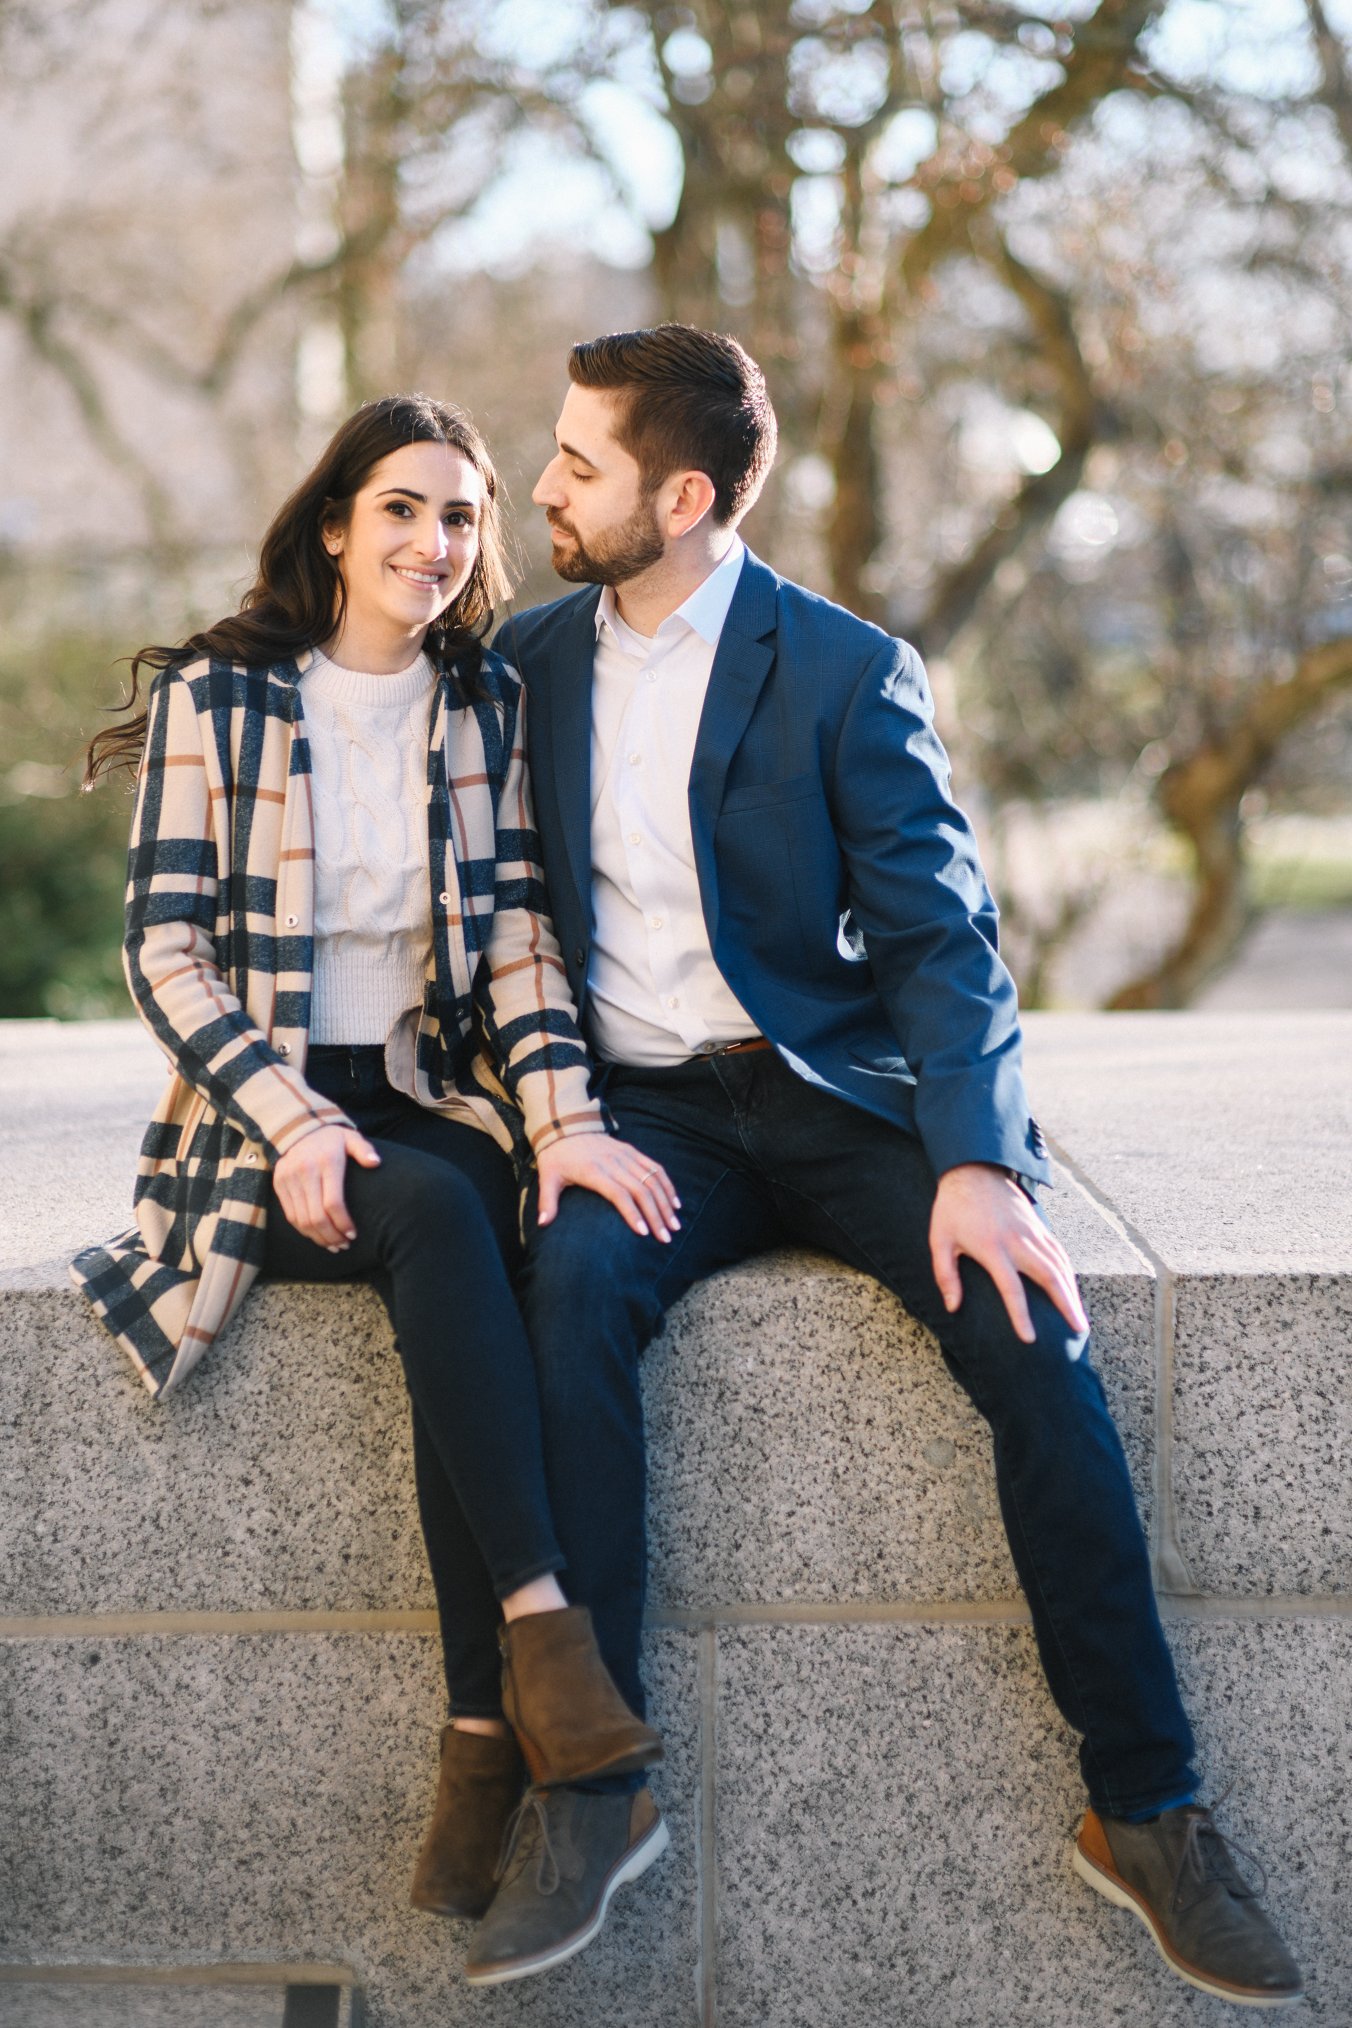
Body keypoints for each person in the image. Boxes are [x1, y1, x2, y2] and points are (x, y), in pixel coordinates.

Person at [468, 325, 1305, 2006]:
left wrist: (980, 1160)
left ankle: (1146, 1809)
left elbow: (945, 942)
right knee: (565, 1285)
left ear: (683, 495)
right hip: (643, 1118)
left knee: (1035, 1336)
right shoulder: (526, 661)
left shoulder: (846, 669)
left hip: (840, 1101)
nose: (543, 485)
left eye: (580, 462)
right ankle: (599, 1788)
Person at [71, 394, 679, 1968]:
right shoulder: (229, 697)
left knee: (484, 1217)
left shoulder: (477, 705)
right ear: (337, 524)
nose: (435, 541)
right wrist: (290, 1122)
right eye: (404, 508)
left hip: (420, 1093)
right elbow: (163, 952)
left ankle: (485, 1728)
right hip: (254, 1118)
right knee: (423, 1210)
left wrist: (563, 1130)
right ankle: (545, 1636)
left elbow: (529, 945)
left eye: (463, 518)